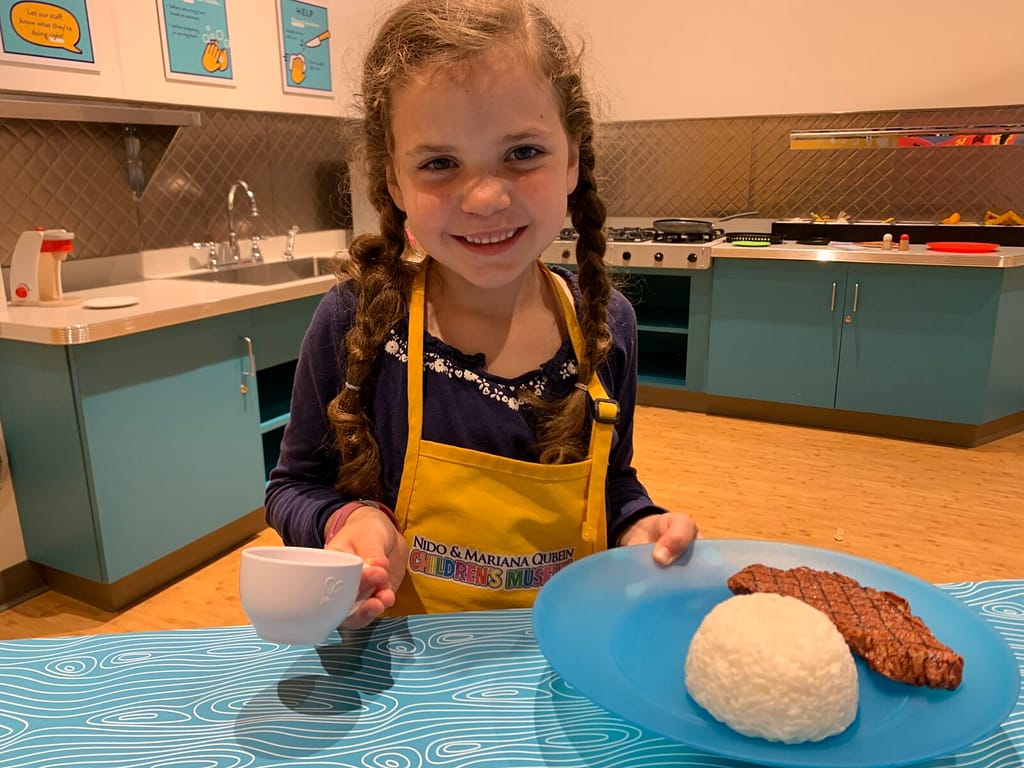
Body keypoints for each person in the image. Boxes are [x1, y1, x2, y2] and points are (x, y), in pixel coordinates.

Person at [265, 0, 698, 628]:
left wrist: (640, 527)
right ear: (393, 181)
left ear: (573, 158)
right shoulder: (358, 319)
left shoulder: (607, 327)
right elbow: (292, 488)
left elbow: (613, 484)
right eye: (439, 163)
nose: (487, 197)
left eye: (522, 152)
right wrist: (350, 521)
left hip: (560, 663)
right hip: (403, 677)